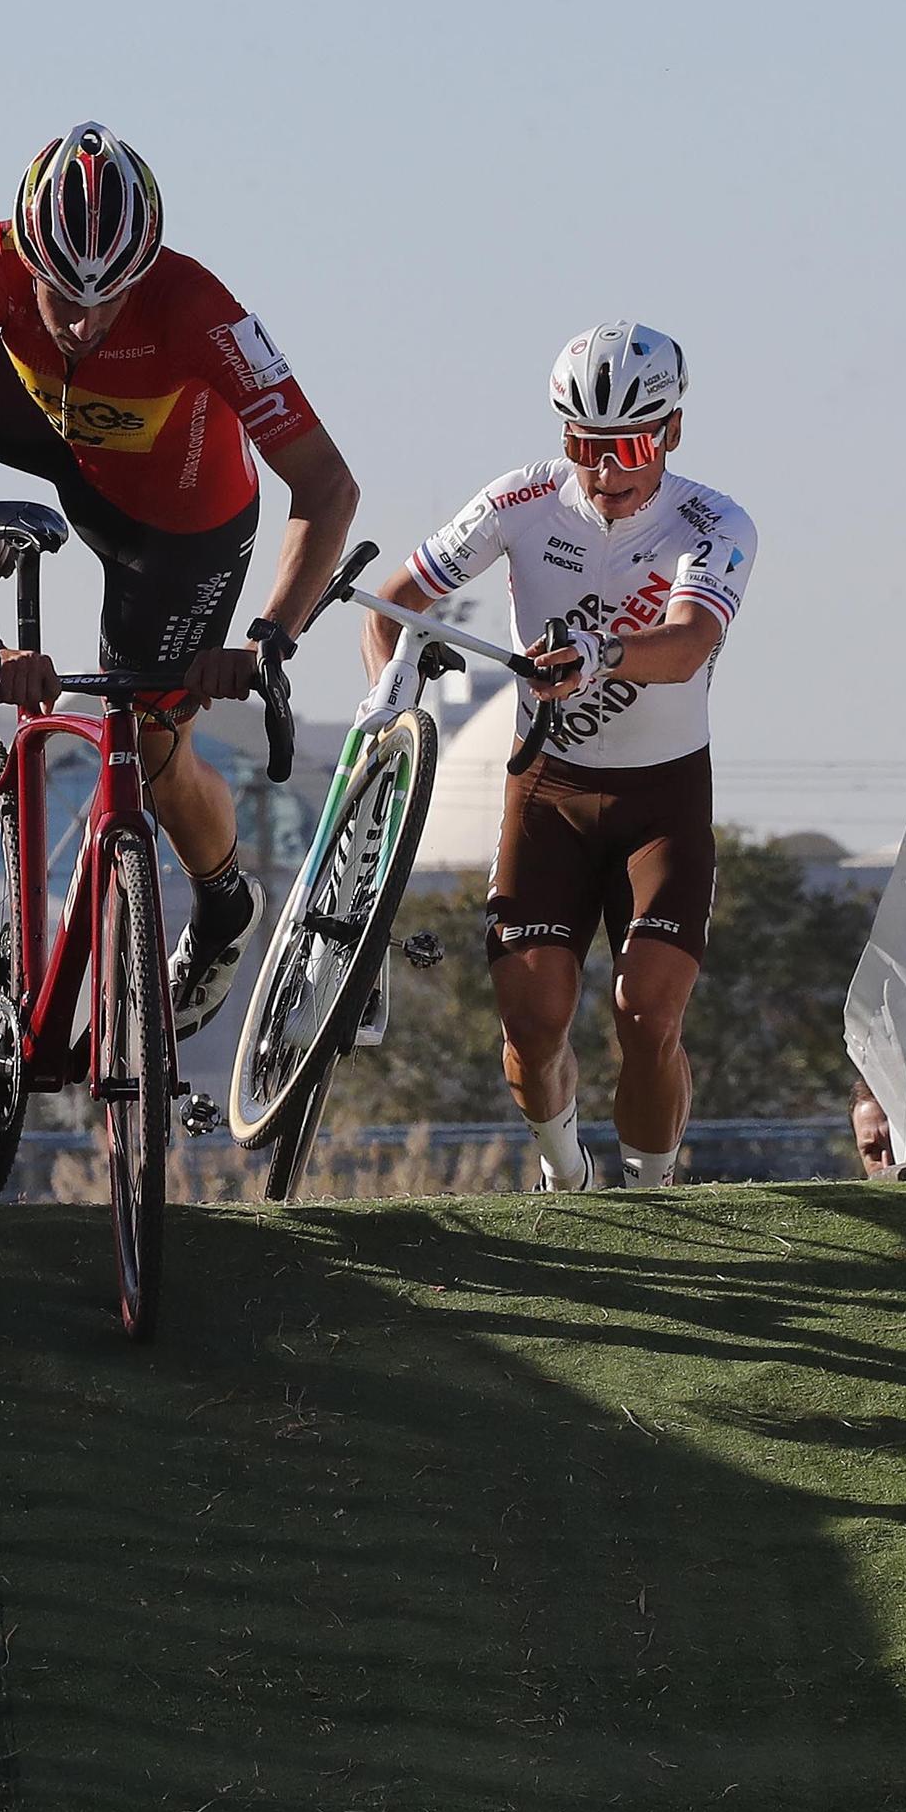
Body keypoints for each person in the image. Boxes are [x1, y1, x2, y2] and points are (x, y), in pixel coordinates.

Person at [0, 123, 359, 1036]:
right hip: (43, 420)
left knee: (159, 752)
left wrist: (270, 637)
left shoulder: (199, 304)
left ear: (148, 267)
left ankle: (220, 904)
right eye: (61, 295)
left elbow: (327, 483)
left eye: (109, 300)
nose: (84, 322)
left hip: (173, 520)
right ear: (23, 252)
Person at [361, 321, 757, 1190]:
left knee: (645, 1012)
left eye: (628, 446)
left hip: (662, 802)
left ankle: (651, 1194)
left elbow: (688, 643)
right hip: (546, 790)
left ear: (672, 432)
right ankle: (563, 1171)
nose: (606, 471)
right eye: (583, 445)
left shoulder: (713, 521)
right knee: (533, 1024)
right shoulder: (520, 499)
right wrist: (392, 707)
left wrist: (600, 654)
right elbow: (393, 604)